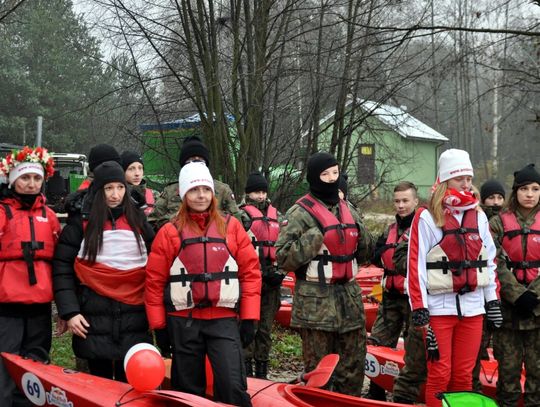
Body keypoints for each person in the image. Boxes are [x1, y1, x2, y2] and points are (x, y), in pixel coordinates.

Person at [145, 162, 261, 407]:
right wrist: (159, 326)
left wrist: (250, 317)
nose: (201, 195)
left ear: (213, 193)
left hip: (223, 320)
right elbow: (154, 282)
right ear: (184, 194)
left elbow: (250, 273)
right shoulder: (169, 232)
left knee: (232, 385)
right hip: (183, 321)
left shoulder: (232, 227)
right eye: (194, 190)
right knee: (188, 391)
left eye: (206, 189)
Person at [406, 149, 501, 407]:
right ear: (446, 179)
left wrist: (492, 301)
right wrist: (420, 309)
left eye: (469, 178)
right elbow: (415, 268)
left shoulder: (479, 216)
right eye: (460, 179)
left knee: (463, 376)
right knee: (439, 373)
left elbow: (489, 260)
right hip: (438, 310)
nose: (467, 184)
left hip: (472, 309)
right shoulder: (427, 217)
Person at [276, 152, 373, 397]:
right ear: (313, 178)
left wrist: (356, 230)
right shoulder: (300, 213)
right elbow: (282, 257)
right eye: (325, 174)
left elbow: (365, 253)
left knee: (352, 369)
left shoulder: (348, 208)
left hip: (349, 301)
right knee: (319, 372)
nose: (331, 179)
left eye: (335, 173)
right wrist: (314, 237)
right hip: (314, 305)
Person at [53, 161, 154, 381]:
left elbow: (155, 266)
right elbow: (62, 270)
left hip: (134, 318)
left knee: (130, 385)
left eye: (120, 187)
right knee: (98, 385)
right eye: (109, 188)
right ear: (99, 190)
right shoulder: (80, 224)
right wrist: (70, 312)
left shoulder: (139, 221)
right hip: (93, 317)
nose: (115, 194)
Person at [0, 146, 61, 406]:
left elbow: (60, 260)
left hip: (40, 303)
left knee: (37, 363)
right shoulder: (3, 212)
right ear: (13, 180)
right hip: (7, 303)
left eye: (36, 178)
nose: (31, 184)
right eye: (25, 178)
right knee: (5, 362)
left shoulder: (49, 216)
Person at [489, 164, 540, 407]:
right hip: (509, 312)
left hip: (538, 311)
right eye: (524, 189)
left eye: (535, 189)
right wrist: (517, 296)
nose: (530, 194)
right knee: (508, 376)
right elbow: (493, 261)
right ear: (515, 191)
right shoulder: (498, 223)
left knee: (537, 376)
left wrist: (533, 296)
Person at [366, 181, 421, 402]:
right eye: (397, 201)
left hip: (413, 298)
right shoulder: (390, 229)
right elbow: (376, 255)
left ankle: (409, 394)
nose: (401, 205)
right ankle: (376, 391)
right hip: (390, 296)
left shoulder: (423, 228)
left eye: (405, 201)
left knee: (414, 348)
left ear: (415, 201)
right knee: (377, 342)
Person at [239, 171, 285, 379]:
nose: (261, 196)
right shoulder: (241, 215)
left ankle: (262, 373)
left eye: (263, 192)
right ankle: (246, 371)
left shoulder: (278, 216)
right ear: (248, 194)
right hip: (250, 280)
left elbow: (286, 247)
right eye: (256, 192)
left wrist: (280, 272)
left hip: (272, 282)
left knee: (265, 330)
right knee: (249, 327)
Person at [148, 136, 240, 230]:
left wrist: (212, 216)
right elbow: (152, 223)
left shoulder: (222, 189)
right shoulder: (171, 190)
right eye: (191, 160)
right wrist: (176, 220)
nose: (196, 162)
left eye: (200, 159)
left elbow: (237, 223)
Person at [472, 178, 506, 392]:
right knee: (476, 349)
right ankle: (474, 389)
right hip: (480, 297)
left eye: (499, 197)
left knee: (503, 350)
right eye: (491, 197)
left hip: (504, 298)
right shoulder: (481, 222)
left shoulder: (508, 221)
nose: (495, 202)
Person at [120, 150, 156, 216]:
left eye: (140, 168)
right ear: (122, 172)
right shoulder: (117, 196)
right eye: (131, 169)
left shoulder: (154, 195)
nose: (137, 173)